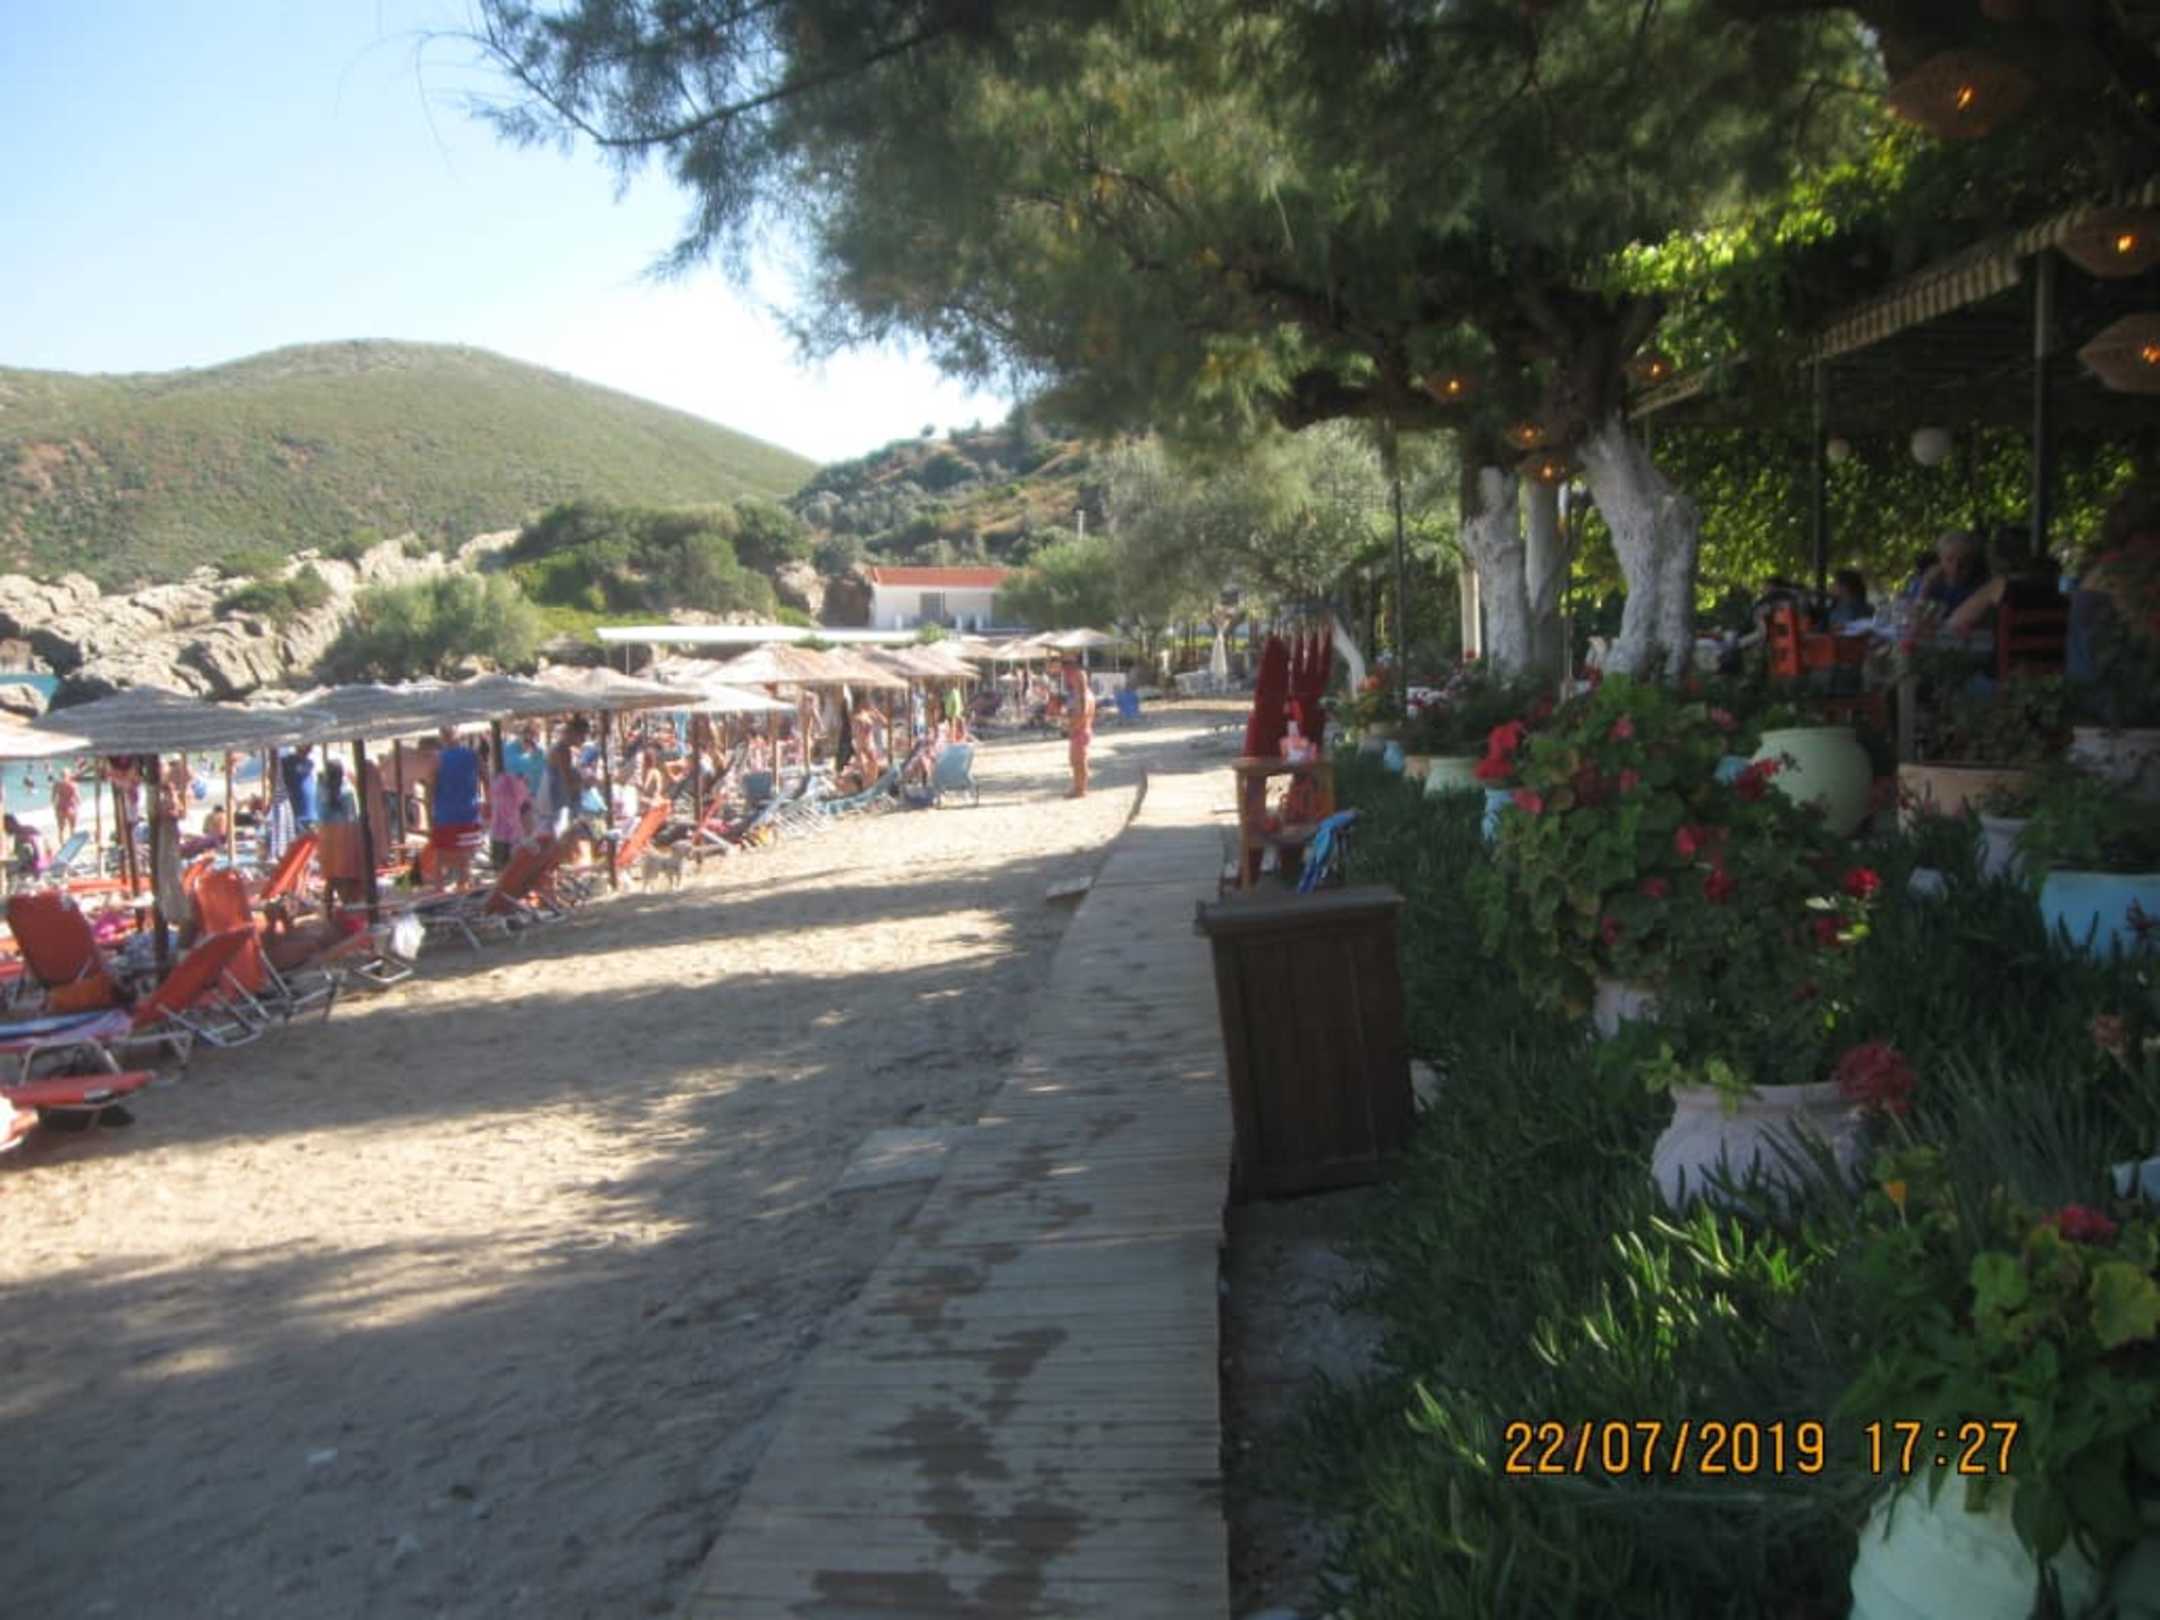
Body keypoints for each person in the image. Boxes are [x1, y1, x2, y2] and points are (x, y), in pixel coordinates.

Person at [429, 726, 484, 889]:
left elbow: (431, 786)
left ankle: (440, 889)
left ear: (442, 737)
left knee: (441, 853)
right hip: (468, 811)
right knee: (465, 854)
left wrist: (430, 809)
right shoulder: (472, 755)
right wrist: (487, 801)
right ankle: (462, 886)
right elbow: (486, 776)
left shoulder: (438, 758)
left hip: (446, 813)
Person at [489, 749, 532, 870]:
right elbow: (525, 809)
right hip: (513, 835)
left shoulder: (498, 781)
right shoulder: (519, 784)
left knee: (500, 870)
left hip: (497, 833)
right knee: (513, 870)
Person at [1060, 658, 1096, 799]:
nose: (1070, 680)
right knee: (1077, 761)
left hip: (1080, 730)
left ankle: (1080, 789)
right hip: (1082, 730)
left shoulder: (1083, 696)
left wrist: (1071, 726)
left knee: (1079, 762)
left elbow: (1082, 714)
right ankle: (1078, 787)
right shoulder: (1084, 694)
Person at [50, 770, 78, 846]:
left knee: (61, 827)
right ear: (69, 775)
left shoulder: (56, 785)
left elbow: (52, 798)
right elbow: (77, 797)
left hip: (60, 806)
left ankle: (62, 843)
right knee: (72, 827)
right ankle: (72, 842)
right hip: (71, 806)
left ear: (60, 775)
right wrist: (79, 804)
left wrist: (54, 808)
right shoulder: (73, 784)